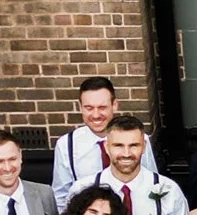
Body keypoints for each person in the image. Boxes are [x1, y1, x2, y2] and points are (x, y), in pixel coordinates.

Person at [51, 74, 157, 205]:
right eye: (89, 108)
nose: (96, 115)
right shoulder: (66, 145)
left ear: (115, 105)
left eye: (102, 108)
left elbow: (153, 184)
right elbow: (60, 197)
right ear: (80, 107)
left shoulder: (138, 139)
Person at [96, 113, 187, 215]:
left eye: (134, 146)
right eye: (118, 146)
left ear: (144, 147)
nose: (126, 154)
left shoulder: (169, 190)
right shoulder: (85, 189)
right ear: (106, 147)